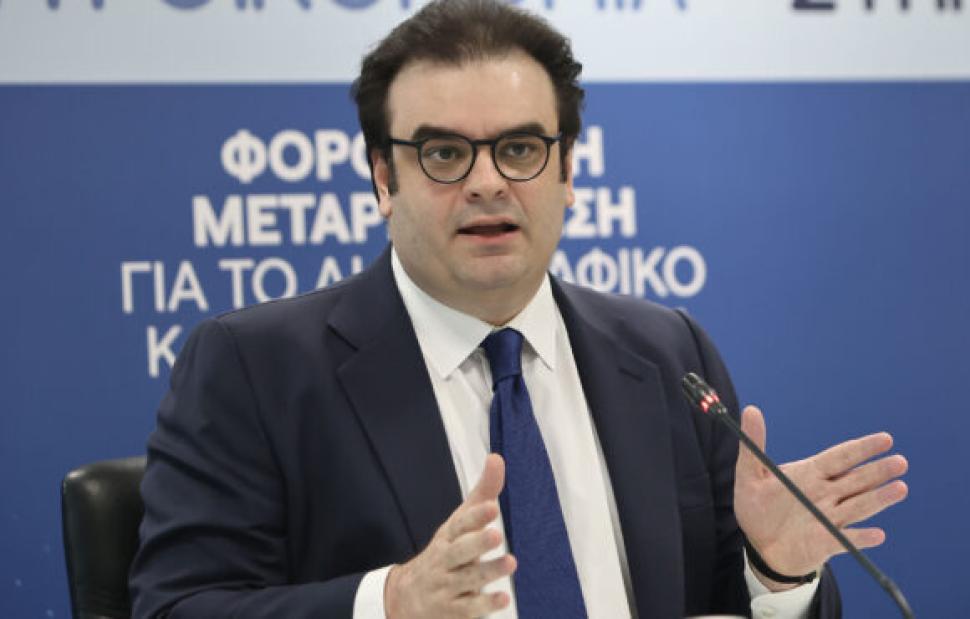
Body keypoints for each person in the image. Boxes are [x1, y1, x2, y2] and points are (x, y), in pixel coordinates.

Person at [129, 1, 909, 617]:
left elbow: (723, 600)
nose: (487, 183)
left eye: (520, 149)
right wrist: (389, 602)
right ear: (383, 178)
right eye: (444, 153)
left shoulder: (669, 354)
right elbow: (176, 606)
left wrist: (774, 571)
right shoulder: (256, 368)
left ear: (567, 170)